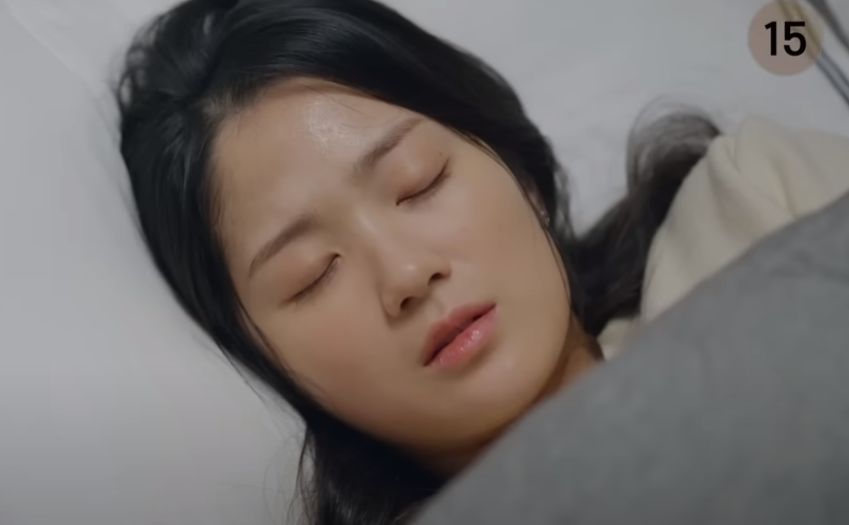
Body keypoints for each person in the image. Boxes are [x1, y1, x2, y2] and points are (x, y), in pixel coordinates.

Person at [115, 0, 849, 523]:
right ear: (267, 364)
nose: (407, 275)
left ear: (518, 172)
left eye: (419, 182)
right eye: (313, 273)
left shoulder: (752, 200)